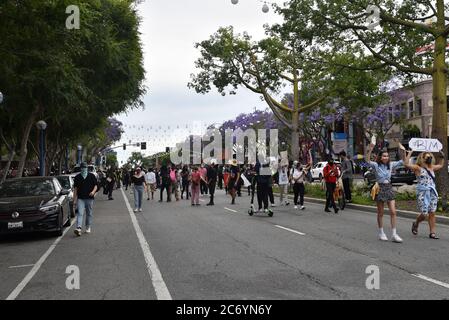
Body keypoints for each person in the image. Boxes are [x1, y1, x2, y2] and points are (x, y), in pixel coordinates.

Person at [366, 143, 404, 243]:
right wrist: (370, 149)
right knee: (381, 213)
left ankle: (394, 234)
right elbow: (367, 160)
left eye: (387, 156)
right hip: (380, 188)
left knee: (393, 211)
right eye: (384, 156)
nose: (386, 157)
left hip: (389, 187)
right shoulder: (376, 165)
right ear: (380, 157)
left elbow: (403, 161)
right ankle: (381, 232)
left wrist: (403, 150)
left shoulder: (391, 165)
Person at [404, 150, 446, 239]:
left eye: (430, 157)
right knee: (424, 214)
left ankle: (432, 233)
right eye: (427, 157)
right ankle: (416, 223)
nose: (429, 159)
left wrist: (442, 157)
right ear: (422, 159)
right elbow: (407, 164)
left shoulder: (432, 167)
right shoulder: (418, 168)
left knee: (432, 212)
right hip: (422, 193)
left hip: (432, 193)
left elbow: (441, 165)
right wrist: (409, 153)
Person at [73, 162, 98, 236]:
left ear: (87, 168)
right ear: (80, 168)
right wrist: (74, 199)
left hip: (89, 198)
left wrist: (93, 192)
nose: (84, 169)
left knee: (89, 213)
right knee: (80, 213)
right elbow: (75, 189)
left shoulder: (92, 176)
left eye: (85, 167)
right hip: (80, 198)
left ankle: (88, 226)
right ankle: (79, 228)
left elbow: (96, 185)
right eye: (82, 167)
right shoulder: (77, 177)